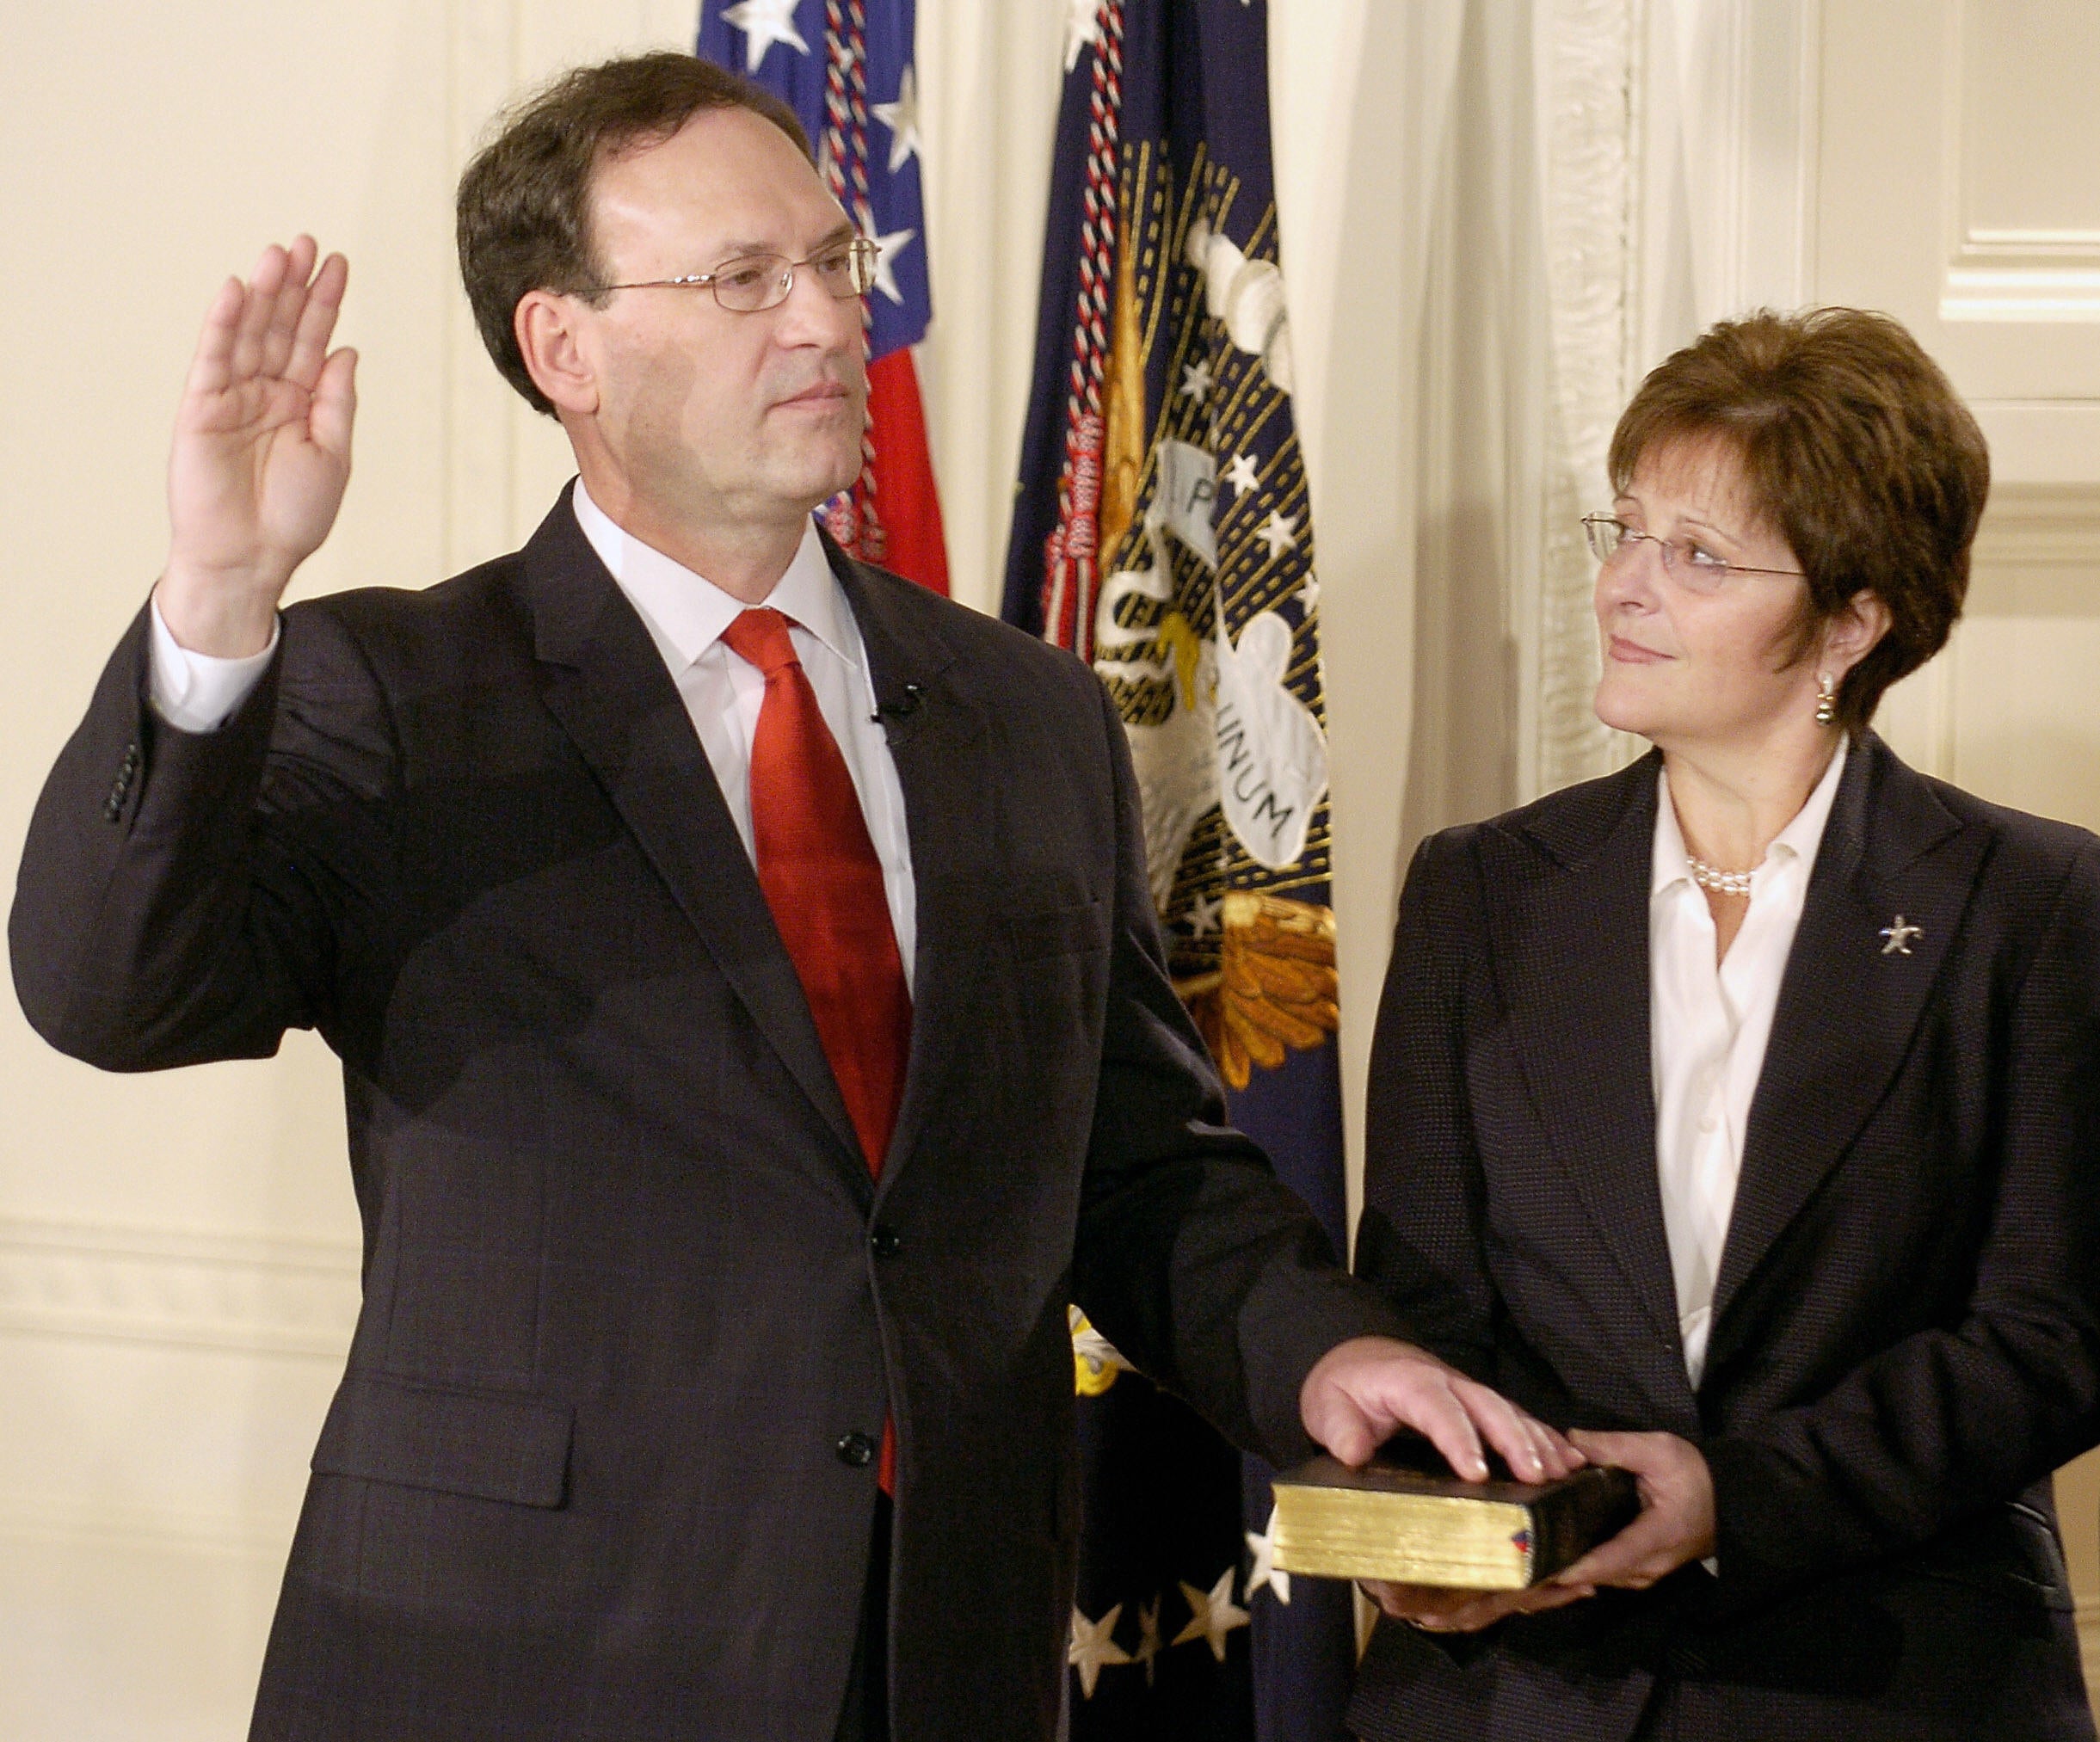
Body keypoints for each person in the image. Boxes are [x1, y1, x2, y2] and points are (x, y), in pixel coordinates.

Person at [8, 52, 1573, 1742]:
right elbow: (109, 990)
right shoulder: (391, 693)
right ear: (565, 347)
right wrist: (221, 598)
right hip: (520, 1657)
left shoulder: (1027, 712)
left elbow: (1130, 1159)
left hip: (937, 1650)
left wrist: (1323, 1353)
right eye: (744, 280)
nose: (826, 321)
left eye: (836, 263)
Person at [1347, 306, 2100, 1741]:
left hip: (1884, 1681)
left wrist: (1731, 1499)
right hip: (1522, 1684)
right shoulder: (1482, 888)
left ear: (1851, 619)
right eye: (1624, 528)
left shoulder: (2034, 902)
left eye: (1696, 555)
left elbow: (2051, 1332)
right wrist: (1434, 1532)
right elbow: (1424, 1290)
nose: (1623, 586)